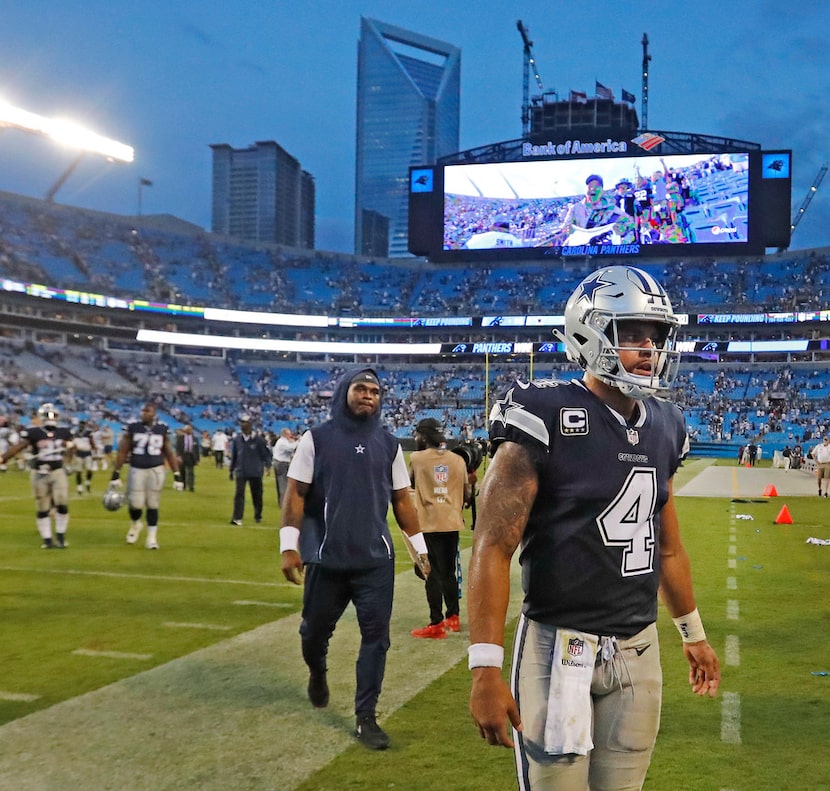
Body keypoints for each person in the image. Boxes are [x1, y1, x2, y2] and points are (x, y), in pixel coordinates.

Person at [467, 265, 720, 791]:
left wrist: (692, 633)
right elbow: (493, 546)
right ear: (589, 332)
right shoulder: (544, 411)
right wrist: (485, 667)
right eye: (630, 335)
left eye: (655, 336)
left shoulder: (667, 424)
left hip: (639, 645)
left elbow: (668, 549)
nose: (648, 349)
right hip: (559, 645)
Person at [279, 368, 429, 751]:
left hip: (375, 560)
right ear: (345, 391)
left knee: (376, 639)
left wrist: (421, 549)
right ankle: (317, 671)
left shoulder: (390, 444)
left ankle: (366, 717)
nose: (368, 396)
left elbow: (401, 500)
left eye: (375, 391)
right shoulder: (317, 438)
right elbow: (296, 493)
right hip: (327, 559)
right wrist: (289, 545)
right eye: (361, 389)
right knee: (312, 633)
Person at [408, 417, 470, 639]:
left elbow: (412, 485)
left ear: (423, 436)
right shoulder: (458, 460)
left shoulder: (416, 458)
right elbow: (467, 492)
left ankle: (436, 623)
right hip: (452, 521)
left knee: (431, 573)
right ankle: (453, 618)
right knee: (449, 572)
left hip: (429, 522)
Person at [0, 403, 74, 548]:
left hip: (57, 471)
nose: (51, 418)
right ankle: (47, 540)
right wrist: (4, 458)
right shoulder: (34, 432)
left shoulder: (64, 432)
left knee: (62, 503)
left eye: (53, 415)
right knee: (43, 506)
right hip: (39, 472)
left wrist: (68, 459)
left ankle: (60, 536)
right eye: (48, 415)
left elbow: (71, 450)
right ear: (41, 417)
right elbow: (18, 447)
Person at [111, 402, 179, 550]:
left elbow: (168, 452)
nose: (144, 413)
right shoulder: (133, 427)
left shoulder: (161, 429)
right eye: (143, 411)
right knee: (135, 504)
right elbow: (123, 451)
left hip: (156, 469)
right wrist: (116, 473)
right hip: (137, 469)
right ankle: (136, 523)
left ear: (154, 413)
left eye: (147, 411)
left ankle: (152, 538)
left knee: (153, 504)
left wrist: (177, 474)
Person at [557, 174, 635, 247]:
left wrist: (624, 228)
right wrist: (568, 230)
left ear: (602, 190)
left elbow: (631, 221)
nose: (592, 189)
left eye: (596, 186)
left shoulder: (611, 207)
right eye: (589, 186)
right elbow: (565, 228)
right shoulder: (575, 208)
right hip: (580, 250)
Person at [228, 415, 272, 525]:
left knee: (257, 495)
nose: (243, 425)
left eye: (246, 422)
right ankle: (237, 517)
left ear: (250, 424)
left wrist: (268, 466)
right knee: (239, 494)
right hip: (241, 471)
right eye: (242, 422)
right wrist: (231, 470)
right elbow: (234, 456)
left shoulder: (259, 440)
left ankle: (258, 515)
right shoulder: (237, 440)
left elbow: (266, 454)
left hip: (255, 472)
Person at [272, 427, 299, 506]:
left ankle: (281, 501)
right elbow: (291, 448)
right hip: (282, 463)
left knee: (280, 483)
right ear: (285, 434)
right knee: (283, 483)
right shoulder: (282, 442)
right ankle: (284, 503)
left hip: (278, 462)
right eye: (289, 434)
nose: (290, 435)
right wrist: (298, 441)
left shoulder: (281, 441)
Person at [72, 419, 97, 494]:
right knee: (78, 471)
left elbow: (92, 442)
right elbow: (73, 443)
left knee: (89, 469)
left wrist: (94, 451)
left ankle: (87, 482)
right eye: (80, 425)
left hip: (87, 452)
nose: (81, 426)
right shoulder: (75, 433)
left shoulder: (88, 433)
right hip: (79, 453)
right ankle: (79, 487)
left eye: (83, 425)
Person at [175, 423, 200, 491]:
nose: (189, 430)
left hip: (191, 456)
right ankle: (183, 485)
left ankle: (191, 486)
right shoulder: (180, 438)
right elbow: (178, 447)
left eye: (190, 429)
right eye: (188, 429)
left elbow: (196, 449)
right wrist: (178, 456)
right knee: (182, 471)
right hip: (183, 455)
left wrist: (197, 459)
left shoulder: (195, 438)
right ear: (185, 430)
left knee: (191, 472)